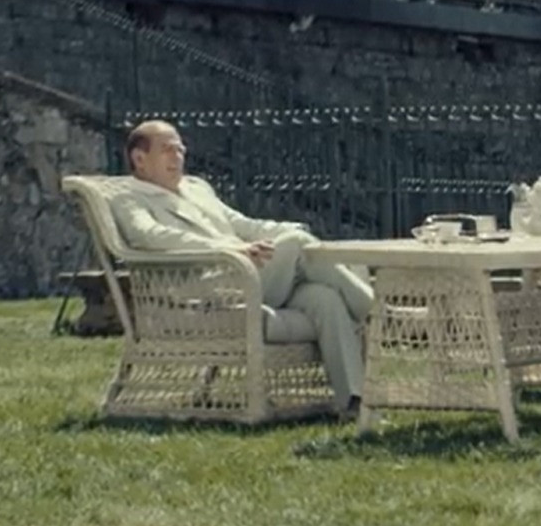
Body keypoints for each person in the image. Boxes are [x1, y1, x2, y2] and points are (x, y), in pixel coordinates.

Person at [108, 120, 374, 415]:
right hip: (209, 289)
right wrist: (228, 248)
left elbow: (242, 225)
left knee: (324, 297)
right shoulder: (128, 198)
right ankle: (377, 311)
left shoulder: (196, 189)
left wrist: (288, 229)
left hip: (246, 272)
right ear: (139, 159)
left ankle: (354, 402)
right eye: (167, 150)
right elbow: (150, 235)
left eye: (181, 149)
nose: (177, 157)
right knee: (297, 246)